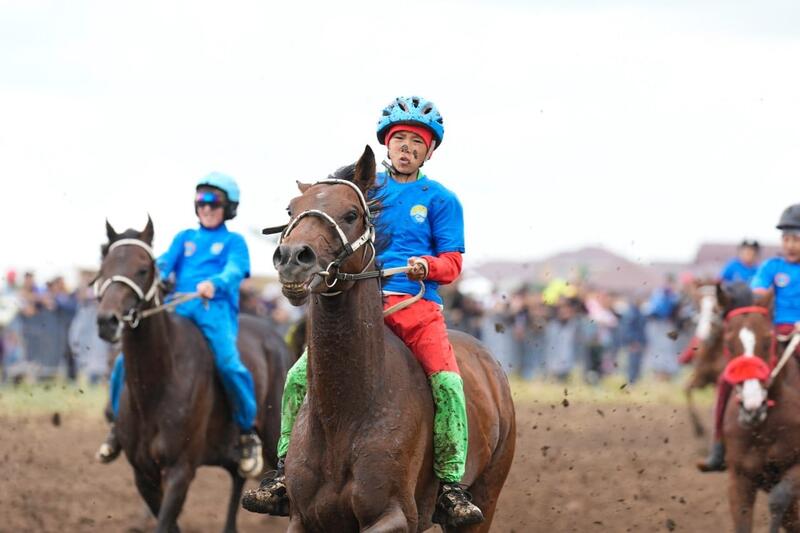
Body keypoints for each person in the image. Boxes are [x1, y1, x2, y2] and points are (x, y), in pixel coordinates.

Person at [244, 96, 483, 526]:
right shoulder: (361, 192)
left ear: (429, 151)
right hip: (362, 305)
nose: (406, 148)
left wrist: (425, 265)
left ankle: (449, 487)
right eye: (399, 140)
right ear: (386, 147)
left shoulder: (441, 199)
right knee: (298, 376)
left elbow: (453, 263)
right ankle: (282, 473)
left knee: (447, 383)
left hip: (416, 308)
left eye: (417, 142)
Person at [96, 172, 263, 478]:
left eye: (214, 201)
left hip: (214, 314)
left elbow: (235, 271)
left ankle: (247, 433)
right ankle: (118, 428)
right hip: (177, 313)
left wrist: (215, 282)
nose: (206, 207)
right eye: (201, 200)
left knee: (230, 365)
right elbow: (159, 265)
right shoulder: (184, 238)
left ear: (228, 207)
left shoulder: (233, 241)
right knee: (123, 361)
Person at [698, 205, 800, 472]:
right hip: (771, 336)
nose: (790, 245)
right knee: (727, 379)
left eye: (797, 239)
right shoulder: (770, 267)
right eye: (786, 239)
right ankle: (718, 445)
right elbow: (757, 294)